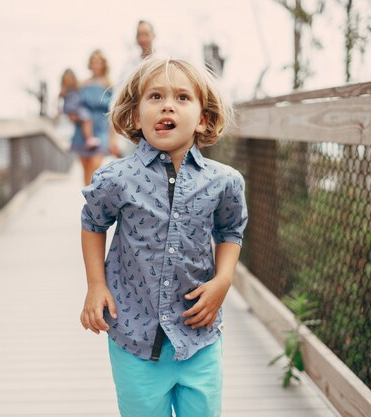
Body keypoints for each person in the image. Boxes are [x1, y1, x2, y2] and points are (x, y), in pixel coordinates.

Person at [79, 58, 248, 417]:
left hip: (198, 336)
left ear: (203, 118)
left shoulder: (224, 182)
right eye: (155, 96)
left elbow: (231, 230)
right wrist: (96, 285)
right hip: (134, 337)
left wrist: (224, 279)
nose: (167, 105)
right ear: (136, 115)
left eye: (182, 98)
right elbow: (93, 222)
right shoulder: (117, 178)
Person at [70, 50, 115, 186]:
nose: (96, 64)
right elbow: (73, 103)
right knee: (85, 168)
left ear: (104, 64)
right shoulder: (82, 84)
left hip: (101, 127)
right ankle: (88, 200)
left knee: (95, 166)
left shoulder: (109, 85)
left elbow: (113, 112)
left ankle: (93, 197)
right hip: (83, 128)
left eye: (99, 61)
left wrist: (113, 137)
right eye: (94, 60)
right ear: (90, 63)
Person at [59, 69, 101, 150]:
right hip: (73, 109)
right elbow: (60, 100)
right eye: (66, 80)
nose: (69, 81)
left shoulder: (77, 87)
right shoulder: (65, 91)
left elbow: (85, 83)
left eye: (70, 79)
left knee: (86, 120)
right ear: (64, 81)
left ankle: (89, 139)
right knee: (87, 118)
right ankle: (89, 139)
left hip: (76, 109)